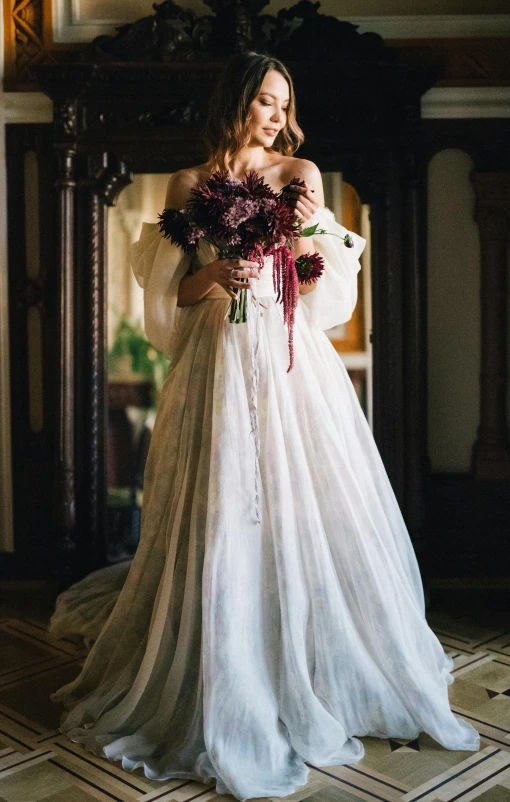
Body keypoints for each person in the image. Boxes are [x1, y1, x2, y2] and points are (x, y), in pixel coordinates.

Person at [49, 51, 480, 801]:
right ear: (237, 102)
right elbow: (166, 296)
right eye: (265, 102)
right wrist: (214, 276)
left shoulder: (300, 173)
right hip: (216, 353)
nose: (277, 115)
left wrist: (297, 250)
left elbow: (326, 274)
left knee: (297, 493)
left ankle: (304, 656)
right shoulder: (189, 185)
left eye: (284, 102)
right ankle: (217, 654)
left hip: (286, 358)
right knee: (217, 499)